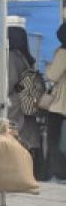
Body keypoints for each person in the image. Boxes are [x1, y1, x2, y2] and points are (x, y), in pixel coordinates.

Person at [6, 26, 41, 150]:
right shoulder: (26, 57)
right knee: (25, 134)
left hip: (14, 102)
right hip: (26, 101)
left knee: (12, 135)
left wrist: (2, 94)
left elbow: (10, 81)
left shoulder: (11, 56)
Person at [43, 22, 66, 180]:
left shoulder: (63, 52)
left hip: (60, 104)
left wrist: (48, 66)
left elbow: (52, 76)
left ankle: (57, 173)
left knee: (54, 139)